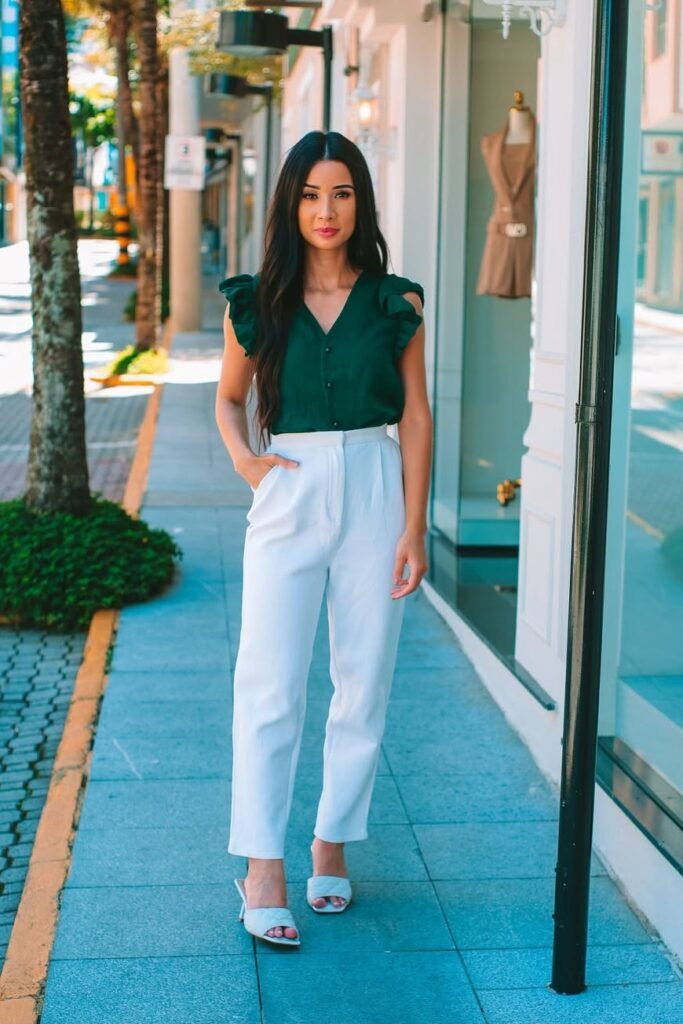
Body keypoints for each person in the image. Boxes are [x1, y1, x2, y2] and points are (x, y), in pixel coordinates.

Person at [215, 130, 433, 948]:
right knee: (268, 682)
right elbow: (229, 399)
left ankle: (329, 840)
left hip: (376, 484)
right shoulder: (257, 303)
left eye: (340, 193)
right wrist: (247, 464)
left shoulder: (395, 302)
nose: (326, 210)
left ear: (361, 202)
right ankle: (262, 863)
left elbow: (414, 415)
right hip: (290, 485)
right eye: (310, 194)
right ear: (289, 204)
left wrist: (413, 524)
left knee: (362, 680)